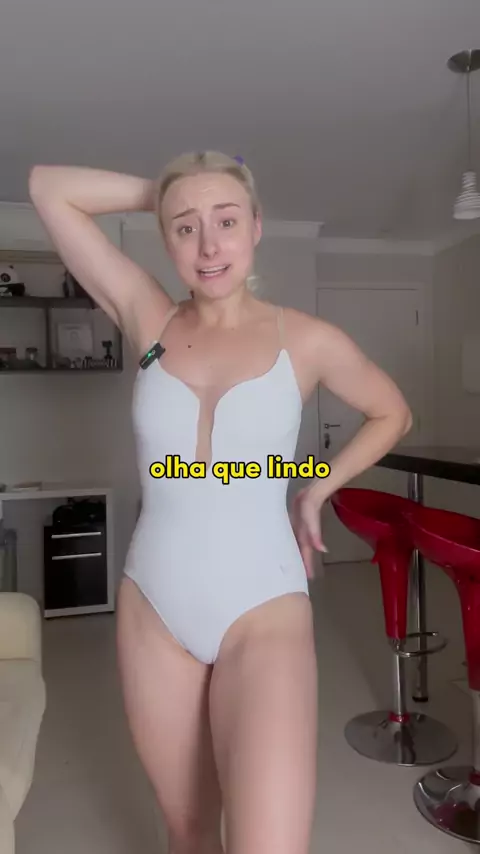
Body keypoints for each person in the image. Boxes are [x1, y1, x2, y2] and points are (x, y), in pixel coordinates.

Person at [29, 151, 412, 854]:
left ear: (256, 228)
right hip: (154, 606)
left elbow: (393, 412)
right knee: (189, 831)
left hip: (263, 606)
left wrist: (318, 486)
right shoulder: (149, 315)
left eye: (226, 221)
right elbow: (47, 188)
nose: (208, 245)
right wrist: (166, 191)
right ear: (167, 238)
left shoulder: (306, 339)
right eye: (185, 227)